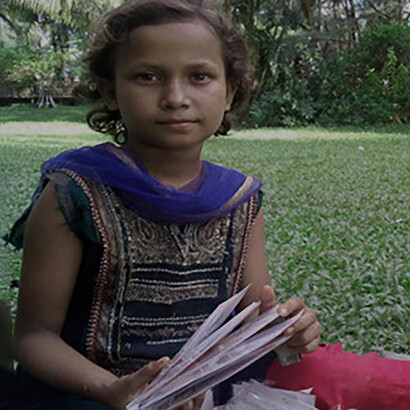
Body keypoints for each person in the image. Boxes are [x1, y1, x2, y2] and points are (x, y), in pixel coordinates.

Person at [4, 1, 321, 409]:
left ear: (229, 93)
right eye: (147, 76)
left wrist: (289, 330)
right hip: (89, 392)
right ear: (109, 91)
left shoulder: (240, 199)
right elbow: (33, 337)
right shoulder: (74, 194)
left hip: (202, 388)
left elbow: (254, 319)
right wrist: (114, 390)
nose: (175, 97)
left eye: (199, 76)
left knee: (334, 379)